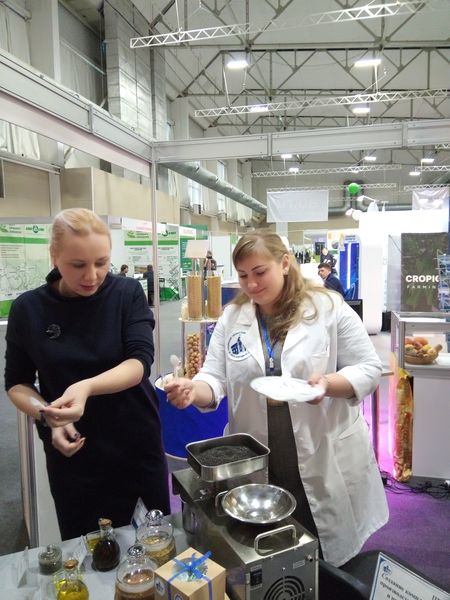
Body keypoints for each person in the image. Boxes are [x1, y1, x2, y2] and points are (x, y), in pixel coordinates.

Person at [165, 230, 388, 567]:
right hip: (258, 459)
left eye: (260, 272)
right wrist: (193, 390)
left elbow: (369, 368)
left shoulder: (328, 307)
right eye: (243, 276)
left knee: (326, 553)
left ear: (284, 263)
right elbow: (214, 378)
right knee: (267, 551)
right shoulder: (232, 318)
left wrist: (328, 384)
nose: (251, 284)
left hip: (321, 451)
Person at [4, 208, 170, 540]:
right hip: (73, 453)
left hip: (135, 444)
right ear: (54, 256)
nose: (92, 276)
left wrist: (86, 387)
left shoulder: (126, 294)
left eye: (102, 263)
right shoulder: (28, 309)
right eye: (78, 265)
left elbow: (139, 363)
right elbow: (16, 383)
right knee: (87, 548)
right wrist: (49, 416)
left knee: (155, 543)